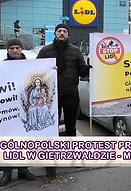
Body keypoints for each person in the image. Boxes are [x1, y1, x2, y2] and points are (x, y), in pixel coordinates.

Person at [37, 23, 90, 178]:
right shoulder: (46, 51)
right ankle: (51, 159)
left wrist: (88, 68)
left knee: (71, 126)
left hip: (71, 95)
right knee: (51, 128)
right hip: (50, 97)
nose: (61, 33)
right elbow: (35, 69)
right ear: (55, 34)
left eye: (64, 31)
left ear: (68, 34)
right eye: (59, 31)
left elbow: (81, 71)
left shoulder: (75, 51)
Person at [0, 38, 36, 186]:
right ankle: (6, 173)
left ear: (21, 49)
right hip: (7, 110)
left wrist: (52, 70)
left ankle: (23, 170)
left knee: (24, 140)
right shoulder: (1, 66)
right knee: (7, 141)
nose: (15, 50)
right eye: (12, 48)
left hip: (26, 109)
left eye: (17, 48)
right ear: (7, 50)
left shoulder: (31, 66)